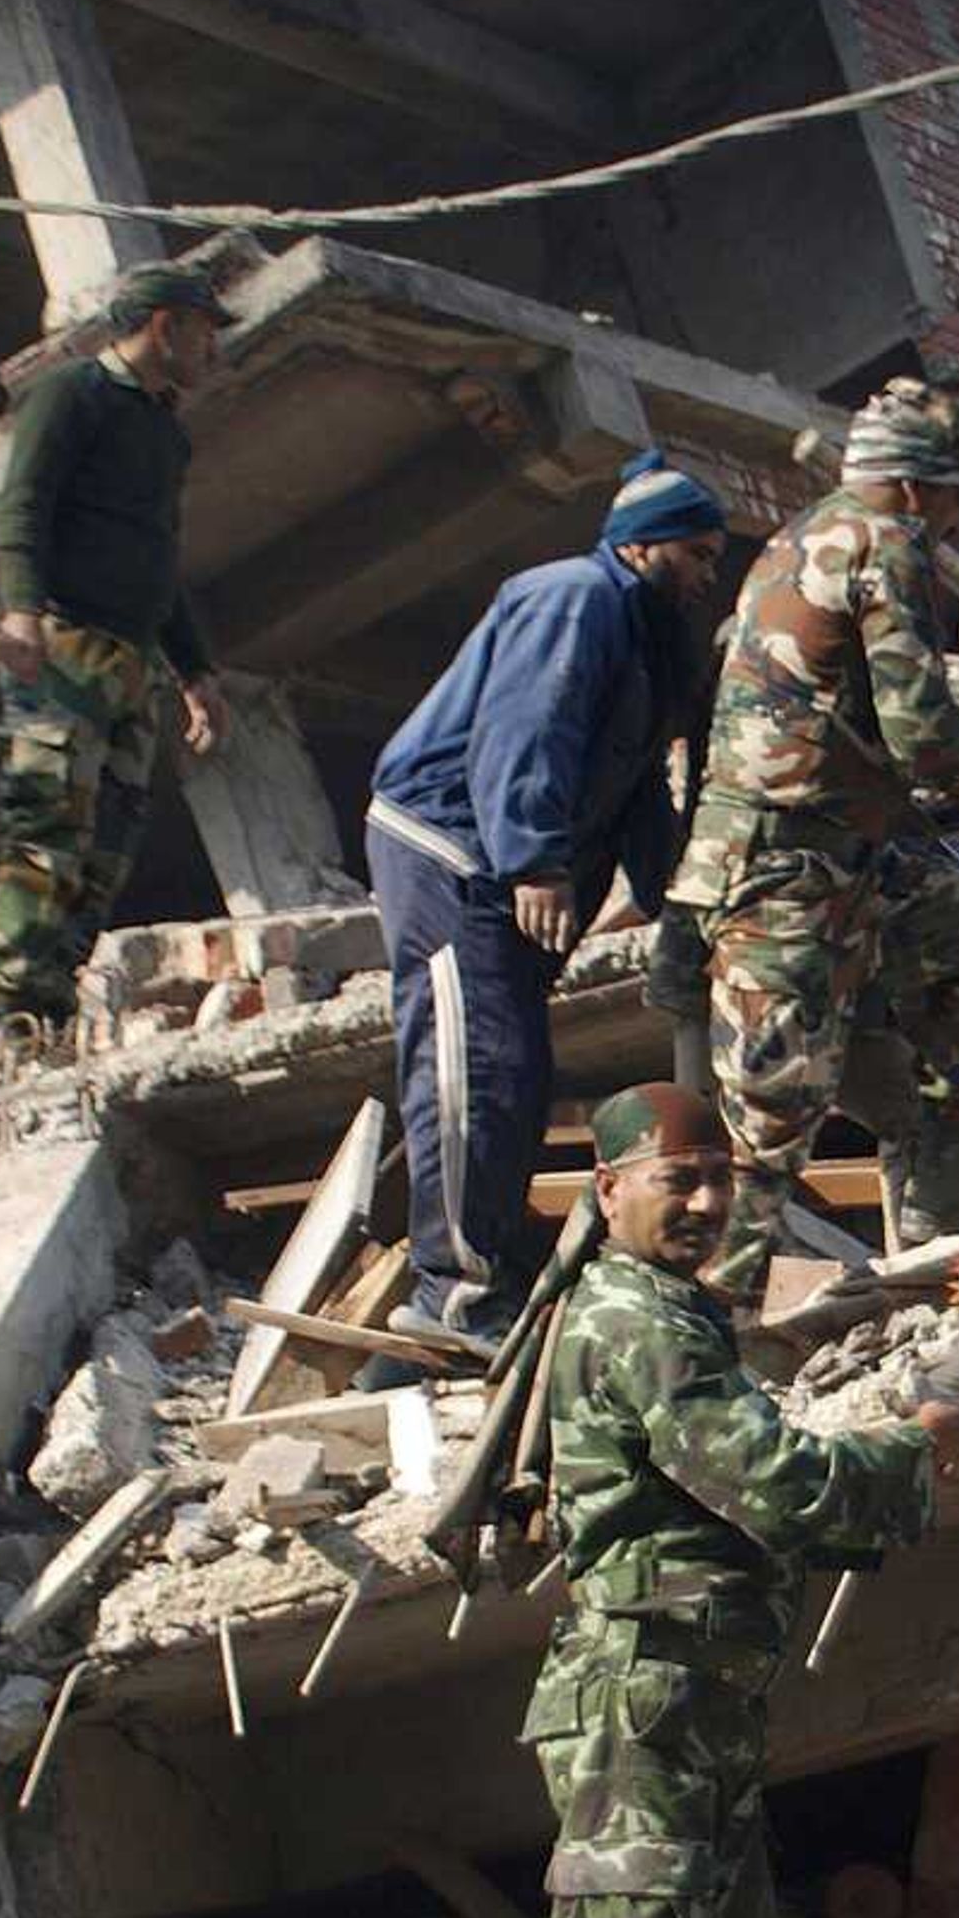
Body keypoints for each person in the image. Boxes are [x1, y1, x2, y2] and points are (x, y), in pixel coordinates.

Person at [507, 1081, 959, 1918]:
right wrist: (918, 1443)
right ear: (606, 1190)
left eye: (720, 1176)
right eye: (679, 1178)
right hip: (638, 1716)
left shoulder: (682, 1313)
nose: (710, 1198)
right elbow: (773, 1482)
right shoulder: (633, 1318)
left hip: (700, 1713)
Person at [663, 379, 959, 1302]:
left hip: (837, 853)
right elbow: (928, 740)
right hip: (777, 870)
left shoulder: (799, 542)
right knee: (775, 1107)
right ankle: (715, 1325)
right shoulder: (884, 545)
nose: (952, 526)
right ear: (917, 488)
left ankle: (940, 1169)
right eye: (952, 501)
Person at [365, 453, 731, 1345]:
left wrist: (670, 891)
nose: (706, 576)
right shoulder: (573, 597)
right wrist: (534, 861)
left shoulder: (650, 635)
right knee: (479, 1070)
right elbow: (530, 729)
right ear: (641, 548)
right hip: (456, 850)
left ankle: (493, 1267)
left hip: (510, 855)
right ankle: (452, 1296)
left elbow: (642, 781)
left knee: (518, 1069)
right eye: (696, 554)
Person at [0, 260, 235, 1034]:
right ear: (165, 325)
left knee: (108, 841)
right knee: (47, 823)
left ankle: (54, 1001)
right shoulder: (71, 395)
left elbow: (160, 559)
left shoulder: (163, 431)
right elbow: (20, 508)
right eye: (205, 331)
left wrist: (196, 670)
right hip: (67, 645)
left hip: (131, 658)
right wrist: (20, 614)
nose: (212, 350)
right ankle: (14, 1005)